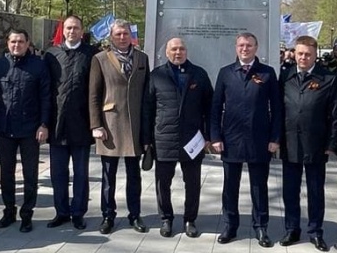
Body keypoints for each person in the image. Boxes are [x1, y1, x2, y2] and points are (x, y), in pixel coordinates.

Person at [210, 32, 281, 247]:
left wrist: (275, 138)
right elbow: (215, 107)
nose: (245, 49)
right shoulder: (225, 73)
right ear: (236, 47)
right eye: (241, 45)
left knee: (259, 187)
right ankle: (230, 226)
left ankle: (261, 227)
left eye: (249, 45)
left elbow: (277, 109)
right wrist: (215, 136)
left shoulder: (267, 73)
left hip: (259, 139)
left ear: (256, 48)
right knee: (230, 186)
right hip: (230, 139)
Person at [146, 37, 213, 238]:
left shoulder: (199, 74)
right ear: (166, 52)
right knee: (162, 183)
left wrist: (209, 136)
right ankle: (166, 218)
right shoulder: (157, 75)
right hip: (163, 138)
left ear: (186, 52)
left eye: (182, 49)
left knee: (192, 183)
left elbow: (209, 108)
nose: (178, 52)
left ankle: (190, 219)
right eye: (174, 49)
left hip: (192, 139)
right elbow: (147, 110)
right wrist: (146, 139)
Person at [279, 36, 337, 252]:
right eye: (300, 53)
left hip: (316, 143)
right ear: (294, 53)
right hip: (290, 142)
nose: (303, 57)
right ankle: (292, 229)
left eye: (307, 54)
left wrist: (331, 143)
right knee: (290, 190)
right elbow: (279, 111)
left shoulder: (328, 78)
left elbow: (335, 115)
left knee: (315, 191)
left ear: (315, 55)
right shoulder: (285, 76)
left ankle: (315, 231)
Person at [89, 18, 151, 234]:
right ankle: (108, 216)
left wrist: (147, 129)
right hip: (110, 124)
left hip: (134, 125)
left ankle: (135, 215)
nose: (122, 37)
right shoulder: (100, 59)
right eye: (118, 34)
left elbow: (146, 94)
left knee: (135, 175)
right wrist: (96, 124)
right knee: (108, 175)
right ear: (111, 36)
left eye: (125, 34)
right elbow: (94, 94)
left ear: (130, 35)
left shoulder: (142, 58)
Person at [0, 29, 50, 232]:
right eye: (13, 41)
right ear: (8, 43)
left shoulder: (38, 66)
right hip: (5, 129)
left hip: (30, 129)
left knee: (30, 174)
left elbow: (45, 97)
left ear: (27, 43)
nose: (17, 45)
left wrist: (44, 124)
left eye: (21, 41)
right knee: (6, 174)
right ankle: (8, 211)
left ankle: (27, 214)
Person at [44, 15, 97, 230]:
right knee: (58, 173)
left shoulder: (92, 54)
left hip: (82, 122)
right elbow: (46, 90)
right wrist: (44, 122)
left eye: (75, 28)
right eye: (68, 28)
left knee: (81, 173)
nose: (71, 31)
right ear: (63, 30)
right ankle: (61, 212)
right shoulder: (51, 54)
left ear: (81, 30)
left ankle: (78, 213)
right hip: (57, 122)